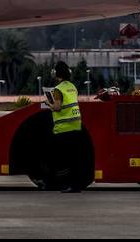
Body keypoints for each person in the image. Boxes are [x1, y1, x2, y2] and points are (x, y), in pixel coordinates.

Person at [45, 61, 83, 193]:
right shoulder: (72, 87)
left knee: (63, 159)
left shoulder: (58, 89)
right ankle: (77, 185)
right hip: (76, 124)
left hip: (64, 128)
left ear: (56, 74)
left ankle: (67, 184)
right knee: (75, 158)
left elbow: (57, 107)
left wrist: (48, 104)